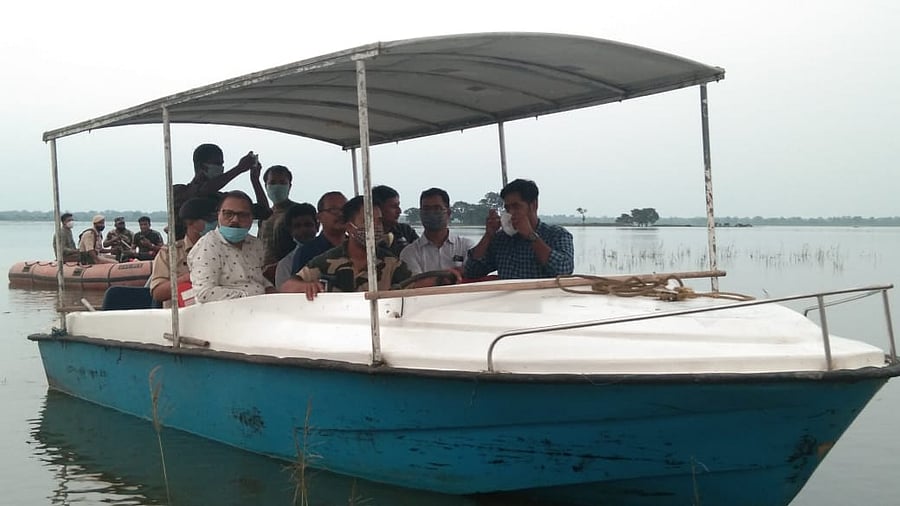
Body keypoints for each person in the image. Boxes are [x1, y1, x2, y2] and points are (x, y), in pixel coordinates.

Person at [281, 196, 415, 299]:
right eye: (368, 221)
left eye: (379, 221)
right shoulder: (327, 260)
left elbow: (415, 287)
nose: (375, 227)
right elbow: (287, 287)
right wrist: (306, 286)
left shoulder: (391, 264)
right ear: (350, 227)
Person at [464, 179, 574, 279]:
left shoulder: (557, 234)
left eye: (516, 206)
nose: (511, 212)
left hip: (542, 294)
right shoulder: (501, 239)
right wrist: (488, 236)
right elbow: (471, 271)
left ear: (533, 205)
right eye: (507, 208)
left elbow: (565, 270)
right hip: (507, 294)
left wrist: (531, 235)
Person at [187, 190, 275, 302]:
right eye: (228, 214)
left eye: (242, 215)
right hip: (225, 311)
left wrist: (269, 288)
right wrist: (249, 297)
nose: (235, 220)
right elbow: (204, 293)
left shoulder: (255, 244)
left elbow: (255, 279)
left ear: (251, 218)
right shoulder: (207, 246)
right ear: (218, 215)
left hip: (259, 308)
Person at [173, 143, 272, 221]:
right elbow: (201, 191)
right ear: (202, 166)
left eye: (222, 164)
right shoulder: (177, 192)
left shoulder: (222, 200)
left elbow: (264, 212)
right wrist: (239, 169)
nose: (221, 168)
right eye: (217, 164)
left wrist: (255, 180)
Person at [149, 198, 217, 306]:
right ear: (190, 222)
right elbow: (158, 293)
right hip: (181, 313)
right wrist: (190, 278)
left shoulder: (221, 250)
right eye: (209, 220)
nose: (215, 224)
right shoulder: (170, 253)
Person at [400, 188, 474, 274]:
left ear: (448, 213)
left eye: (437, 208)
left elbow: (472, 275)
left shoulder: (466, 246)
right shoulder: (409, 252)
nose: (431, 213)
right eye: (426, 209)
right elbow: (417, 281)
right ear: (420, 213)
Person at [289, 191, 348, 276]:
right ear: (319, 217)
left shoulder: (358, 247)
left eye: (345, 210)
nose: (341, 214)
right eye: (334, 210)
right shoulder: (306, 252)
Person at [258, 165, 300, 265]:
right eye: (272, 183)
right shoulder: (265, 215)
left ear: (289, 186)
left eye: (282, 183)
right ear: (266, 186)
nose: (277, 187)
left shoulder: (298, 212)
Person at [274, 203, 319, 288]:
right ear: (290, 230)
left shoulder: (330, 252)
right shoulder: (285, 264)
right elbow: (283, 291)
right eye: (297, 226)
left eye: (308, 225)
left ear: (317, 226)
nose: (303, 230)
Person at [372, 184, 418, 256]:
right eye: (393, 206)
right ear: (377, 208)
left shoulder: (406, 231)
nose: (399, 211)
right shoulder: (366, 236)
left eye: (398, 206)